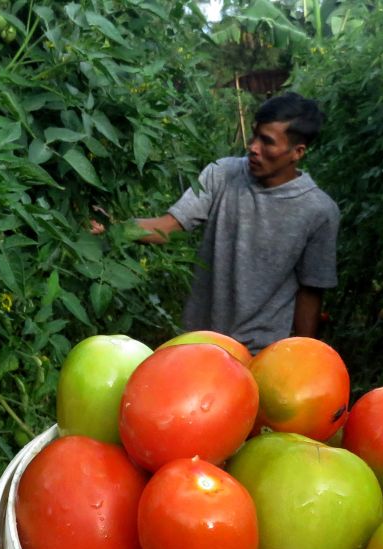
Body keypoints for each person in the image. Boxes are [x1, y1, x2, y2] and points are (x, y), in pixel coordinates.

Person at [90, 92, 339, 354]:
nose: (253, 147)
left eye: (267, 142)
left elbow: (310, 293)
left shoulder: (318, 211)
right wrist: (114, 227)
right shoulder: (222, 174)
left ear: (296, 152)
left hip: (262, 355)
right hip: (201, 343)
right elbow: (168, 227)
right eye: (254, 135)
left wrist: (304, 357)